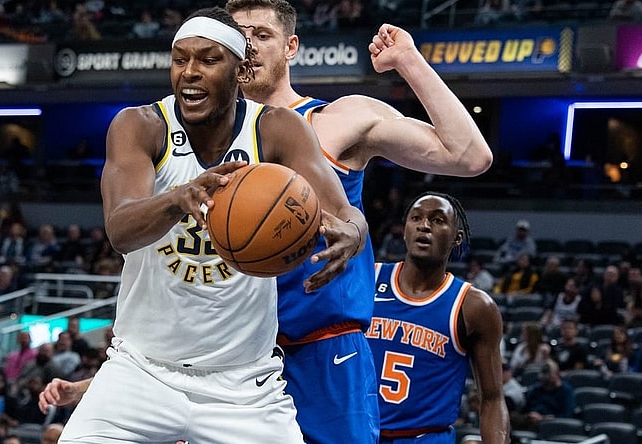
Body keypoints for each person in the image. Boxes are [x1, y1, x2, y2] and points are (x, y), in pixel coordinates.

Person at [40, 7, 367, 444]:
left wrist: (355, 232)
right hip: (140, 373)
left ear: (241, 69)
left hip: (245, 387)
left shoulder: (276, 129)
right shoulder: (140, 126)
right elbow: (120, 230)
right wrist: (178, 197)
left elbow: (346, 213)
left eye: (208, 60)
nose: (189, 72)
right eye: (180, 59)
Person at [224, 2, 493, 442]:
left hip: (322, 350)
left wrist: (408, 61)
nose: (249, 45)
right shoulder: (202, 138)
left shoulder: (337, 119)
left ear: (291, 46)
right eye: (239, 35)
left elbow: (470, 156)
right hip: (232, 352)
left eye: (262, 34)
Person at [365, 192, 509, 444]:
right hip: (356, 433)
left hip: (423, 438)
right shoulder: (366, 279)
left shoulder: (474, 306)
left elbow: (493, 399)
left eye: (437, 220)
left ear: (457, 238)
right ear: (405, 229)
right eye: (416, 218)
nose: (424, 226)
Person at [511, 359, 576, 433]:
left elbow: (567, 415)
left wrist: (542, 418)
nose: (546, 382)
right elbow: (525, 408)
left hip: (550, 422)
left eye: (549, 379)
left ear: (556, 375)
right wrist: (529, 415)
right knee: (512, 417)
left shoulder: (566, 391)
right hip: (531, 418)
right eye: (544, 379)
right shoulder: (537, 389)